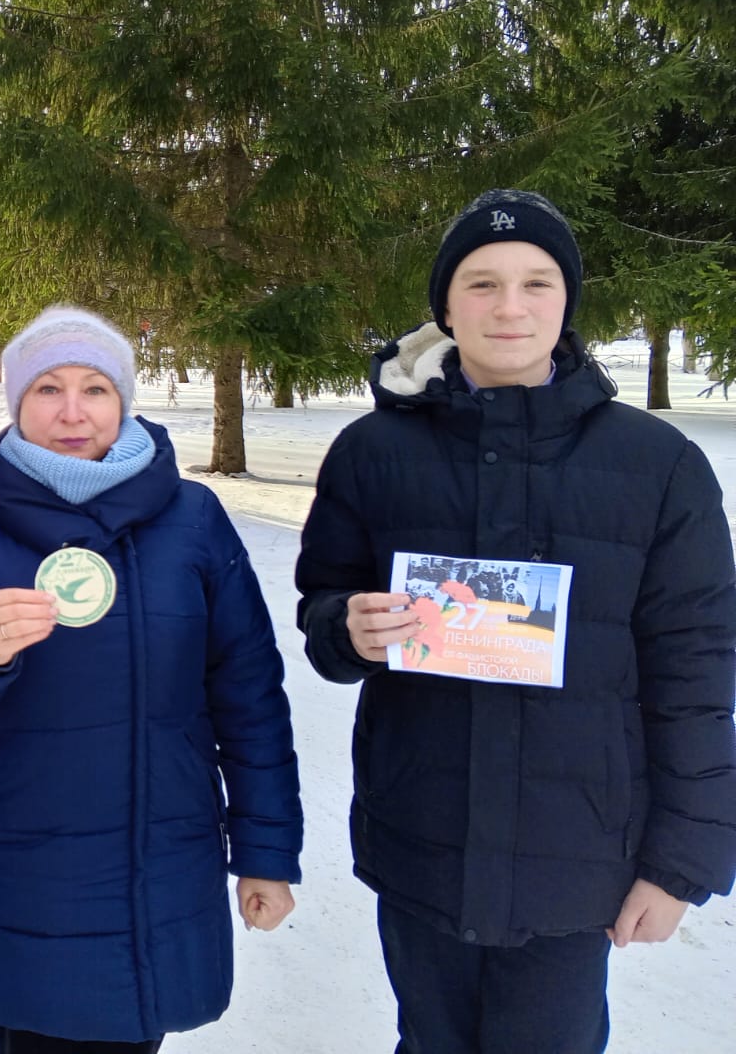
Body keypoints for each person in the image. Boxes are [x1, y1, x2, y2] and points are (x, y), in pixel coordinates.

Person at [295, 189, 736, 1053]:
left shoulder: (658, 468)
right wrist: (349, 627)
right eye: (481, 283)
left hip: (578, 860)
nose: (509, 307)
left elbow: (697, 674)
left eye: (537, 283)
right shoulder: (372, 454)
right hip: (422, 838)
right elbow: (324, 613)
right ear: (446, 306)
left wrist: (681, 865)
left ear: (566, 303)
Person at [0, 306, 302, 1053]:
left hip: (164, 863)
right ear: (17, 403)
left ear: (125, 402)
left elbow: (249, 696)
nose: (73, 413)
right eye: (48, 389)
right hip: (25, 871)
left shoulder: (193, 520)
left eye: (95, 389)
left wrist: (267, 851)